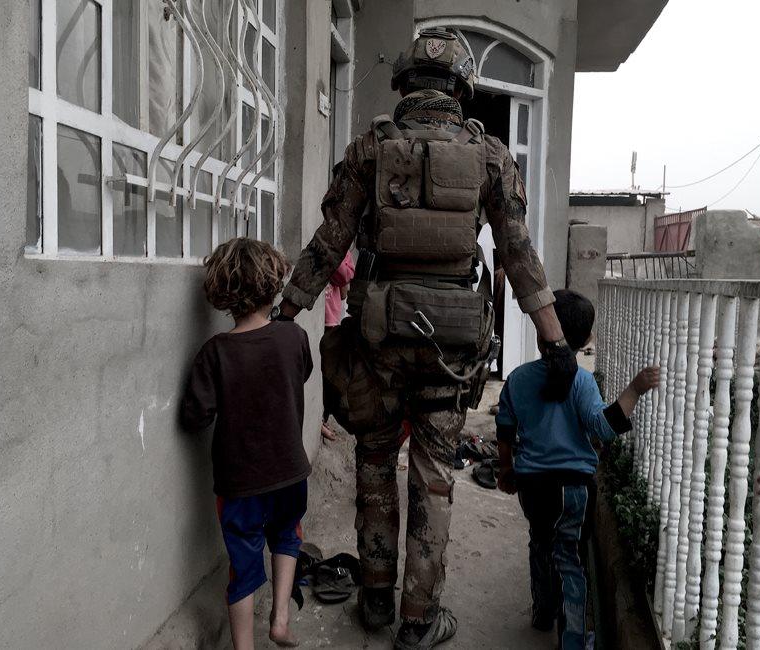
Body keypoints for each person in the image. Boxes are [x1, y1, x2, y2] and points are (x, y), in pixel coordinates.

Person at [273, 28, 578, 650]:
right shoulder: (490, 156)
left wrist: (285, 314)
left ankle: (378, 601)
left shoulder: (369, 151)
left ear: (406, 84)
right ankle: (419, 620)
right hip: (452, 347)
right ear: (461, 88)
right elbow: (520, 255)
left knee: (375, 462)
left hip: (379, 341)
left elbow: (327, 245)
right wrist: (554, 340)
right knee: (434, 476)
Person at [494, 289, 660, 649]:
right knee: (570, 559)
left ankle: (542, 612)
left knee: (540, 543)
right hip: (575, 491)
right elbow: (602, 428)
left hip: (532, 486)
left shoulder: (519, 379)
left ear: (541, 334)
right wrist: (634, 389)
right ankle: (571, 639)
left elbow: (505, 428)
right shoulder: (582, 382)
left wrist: (506, 469)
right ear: (585, 340)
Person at [180, 237, 313, 650]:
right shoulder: (294, 339)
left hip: (239, 483)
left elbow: (194, 417)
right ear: (273, 284)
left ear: (222, 293)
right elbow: (301, 374)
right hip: (291, 471)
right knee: (288, 535)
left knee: (243, 564)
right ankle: (280, 620)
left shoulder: (214, 353)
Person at [321, 251, 356, 441]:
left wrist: (336, 255)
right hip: (322, 315)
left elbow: (346, 277)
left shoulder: (344, 250)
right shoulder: (326, 245)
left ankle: (325, 415)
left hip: (332, 317)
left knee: (330, 374)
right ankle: (321, 418)